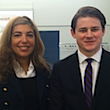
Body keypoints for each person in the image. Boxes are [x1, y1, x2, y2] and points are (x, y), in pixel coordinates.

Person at [49, 6, 110, 110]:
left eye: (94, 29)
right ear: (73, 33)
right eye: (83, 30)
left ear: (103, 31)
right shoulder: (60, 69)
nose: (89, 35)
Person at [0, 16, 51, 110]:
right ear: (8, 39)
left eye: (30, 35)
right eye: (17, 35)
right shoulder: (1, 71)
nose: (24, 40)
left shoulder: (45, 71)